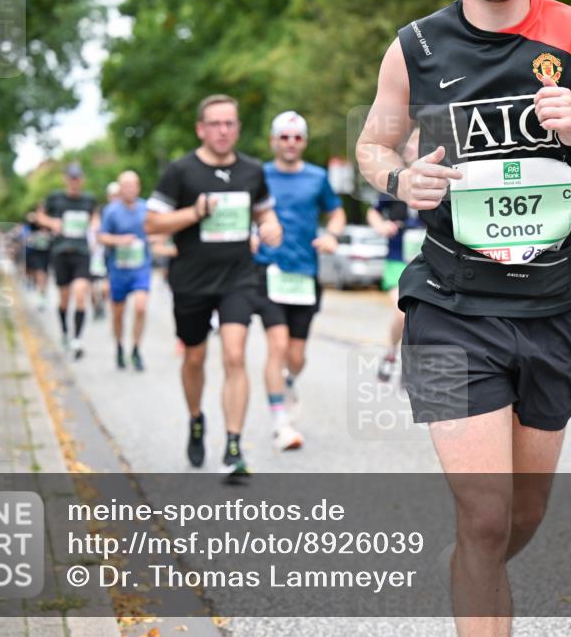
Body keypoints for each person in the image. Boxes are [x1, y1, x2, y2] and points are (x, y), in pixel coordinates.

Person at [355, 0, 571, 633]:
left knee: (522, 516)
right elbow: (371, 146)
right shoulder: (415, 47)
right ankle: (477, 555)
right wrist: (402, 178)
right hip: (448, 305)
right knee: (487, 515)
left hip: (550, 310)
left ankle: (471, 562)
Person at [145, 94, 282, 474]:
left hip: (239, 277)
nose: (223, 130)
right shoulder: (180, 171)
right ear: (201, 128)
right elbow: (152, 224)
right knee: (194, 358)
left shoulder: (253, 171)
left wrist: (271, 226)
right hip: (191, 281)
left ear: (237, 128)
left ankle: (234, 445)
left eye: (230, 124)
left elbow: (264, 211)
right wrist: (194, 212)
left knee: (235, 355)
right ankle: (196, 419)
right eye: (215, 124)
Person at [253, 111, 346, 451]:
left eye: (296, 137)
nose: (290, 143)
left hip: (304, 273)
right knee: (276, 347)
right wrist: (251, 234)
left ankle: (288, 382)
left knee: (297, 355)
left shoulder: (317, 177)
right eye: (284, 137)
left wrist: (333, 235)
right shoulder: (258, 174)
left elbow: (336, 212)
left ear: (303, 142)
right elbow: (243, 210)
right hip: (268, 270)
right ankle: (280, 421)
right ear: (273, 141)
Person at [367, 130, 425, 383]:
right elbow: (373, 213)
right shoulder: (394, 183)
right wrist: (380, 225)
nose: (416, 150)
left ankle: (410, 364)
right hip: (396, 262)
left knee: (423, 317)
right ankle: (392, 353)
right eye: (412, 146)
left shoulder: (443, 182)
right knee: (404, 313)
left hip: (426, 263)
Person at [38, 162, 96, 360]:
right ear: (65, 179)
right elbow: (40, 216)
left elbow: (95, 218)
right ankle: (64, 332)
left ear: (82, 180)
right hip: (61, 253)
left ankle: (77, 339)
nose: (74, 181)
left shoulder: (89, 200)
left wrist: (95, 228)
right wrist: (51, 222)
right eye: (71, 177)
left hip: (81, 253)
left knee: (80, 294)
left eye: (77, 178)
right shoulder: (55, 198)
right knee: (64, 299)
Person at [99, 170, 151, 371]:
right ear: (120, 189)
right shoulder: (111, 211)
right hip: (119, 269)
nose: (130, 189)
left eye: (133, 185)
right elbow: (101, 237)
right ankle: (120, 346)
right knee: (118, 314)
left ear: (138, 187)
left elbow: (156, 231)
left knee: (140, 307)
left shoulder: (146, 208)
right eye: (125, 185)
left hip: (140, 267)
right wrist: (120, 240)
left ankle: (136, 349)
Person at [24, 204, 52, 310]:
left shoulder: (50, 222)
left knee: (45, 275)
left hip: (47, 252)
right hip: (36, 252)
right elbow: (29, 218)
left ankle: (43, 293)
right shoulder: (34, 222)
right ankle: (41, 294)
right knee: (39, 274)